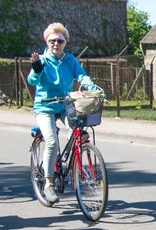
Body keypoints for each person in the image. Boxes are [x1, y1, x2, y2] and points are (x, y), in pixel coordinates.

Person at [27, 22, 102, 204]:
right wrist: (37, 68)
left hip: (65, 104)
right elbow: (32, 79)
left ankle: (69, 162)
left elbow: (82, 76)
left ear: (65, 43)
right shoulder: (42, 60)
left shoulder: (71, 60)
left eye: (59, 41)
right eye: (52, 40)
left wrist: (95, 89)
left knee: (78, 129)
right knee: (52, 141)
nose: (56, 44)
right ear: (47, 41)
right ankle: (48, 183)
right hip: (45, 106)